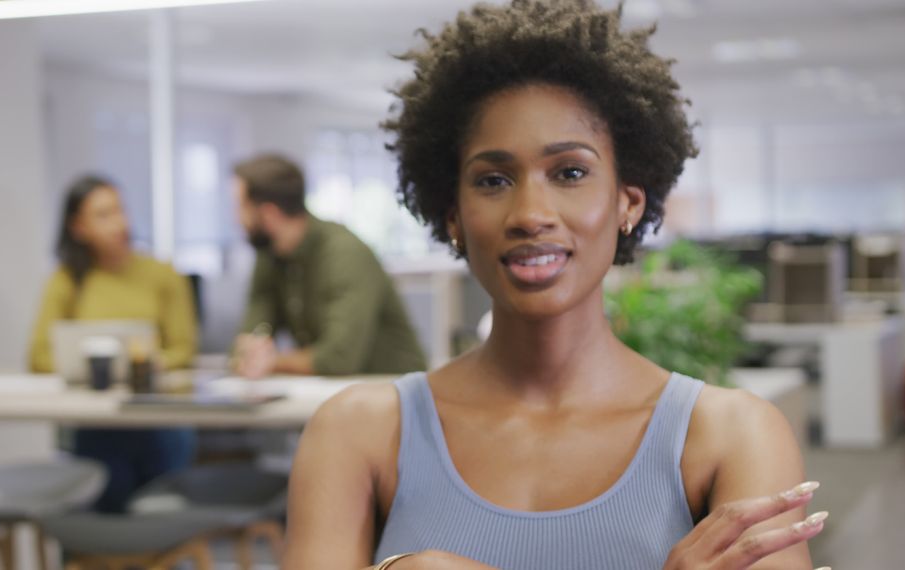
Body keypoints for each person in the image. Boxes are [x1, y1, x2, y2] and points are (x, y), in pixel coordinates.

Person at [282, 2, 829, 569]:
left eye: (569, 172)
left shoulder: (732, 435)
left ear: (627, 203)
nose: (530, 213)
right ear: (453, 218)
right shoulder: (359, 433)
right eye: (493, 180)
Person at [29, 175, 198, 513]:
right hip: (97, 420)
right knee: (100, 499)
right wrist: (93, 368)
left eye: (120, 210)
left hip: (156, 415)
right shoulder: (67, 279)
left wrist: (151, 361)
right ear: (78, 227)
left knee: (162, 510)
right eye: (103, 215)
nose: (119, 222)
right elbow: (39, 356)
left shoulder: (162, 273)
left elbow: (183, 348)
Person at [231, 154, 426, 378]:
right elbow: (247, 340)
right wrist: (249, 353)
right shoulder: (270, 257)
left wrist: (272, 361)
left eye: (241, 207)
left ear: (268, 213)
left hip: (392, 390)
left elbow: (338, 359)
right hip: (333, 392)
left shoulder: (344, 253)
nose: (237, 219)